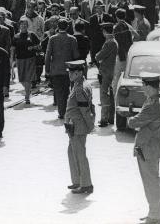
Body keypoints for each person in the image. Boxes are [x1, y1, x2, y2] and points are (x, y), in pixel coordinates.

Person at [128, 73, 160, 224]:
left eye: (143, 85)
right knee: (152, 181)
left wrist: (130, 119)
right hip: (147, 146)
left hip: (148, 148)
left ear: (149, 86)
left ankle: (155, 216)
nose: (142, 88)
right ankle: (154, 213)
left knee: (151, 182)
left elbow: (135, 122)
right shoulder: (155, 100)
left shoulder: (155, 105)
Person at [64, 60, 95, 195]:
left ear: (79, 73)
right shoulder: (78, 84)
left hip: (78, 127)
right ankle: (77, 181)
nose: (70, 74)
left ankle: (86, 184)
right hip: (74, 126)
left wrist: (89, 126)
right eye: (70, 72)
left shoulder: (79, 88)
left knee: (79, 155)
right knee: (72, 152)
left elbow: (85, 110)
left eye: (72, 72)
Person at [45, 19, 79, 119]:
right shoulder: (72, 39)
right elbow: (76, 55)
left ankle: (61, 112)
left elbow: (48, 55)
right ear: (67, 27)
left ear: (58, 27)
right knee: (67, 90)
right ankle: (67, 110)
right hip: (68, 69)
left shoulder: (52, 39)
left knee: (59, 91)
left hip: (55, 70)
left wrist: (47, 70)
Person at [11, 17, 41, 104]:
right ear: (19, 26)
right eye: (22, 24)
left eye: (25, 24)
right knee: (21, 79)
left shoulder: (32, 35)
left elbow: (39, 46)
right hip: (19, 60)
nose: (23, 26)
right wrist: (12, 59)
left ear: (27, 26)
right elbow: (13, 48)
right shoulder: (16, 36)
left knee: (28, 78)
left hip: (30, 59)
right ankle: (28, 89)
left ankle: (27, 96)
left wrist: (33, 47)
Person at [95, 23, 118, 127]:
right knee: (109, 96)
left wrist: (96, 55)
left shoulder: (109, 43)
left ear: (104, 31)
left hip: (106, 72)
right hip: (110, 71)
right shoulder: (112, 41)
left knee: (104, 95)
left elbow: (99, 56)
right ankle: (110, 118)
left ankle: (104, 118)